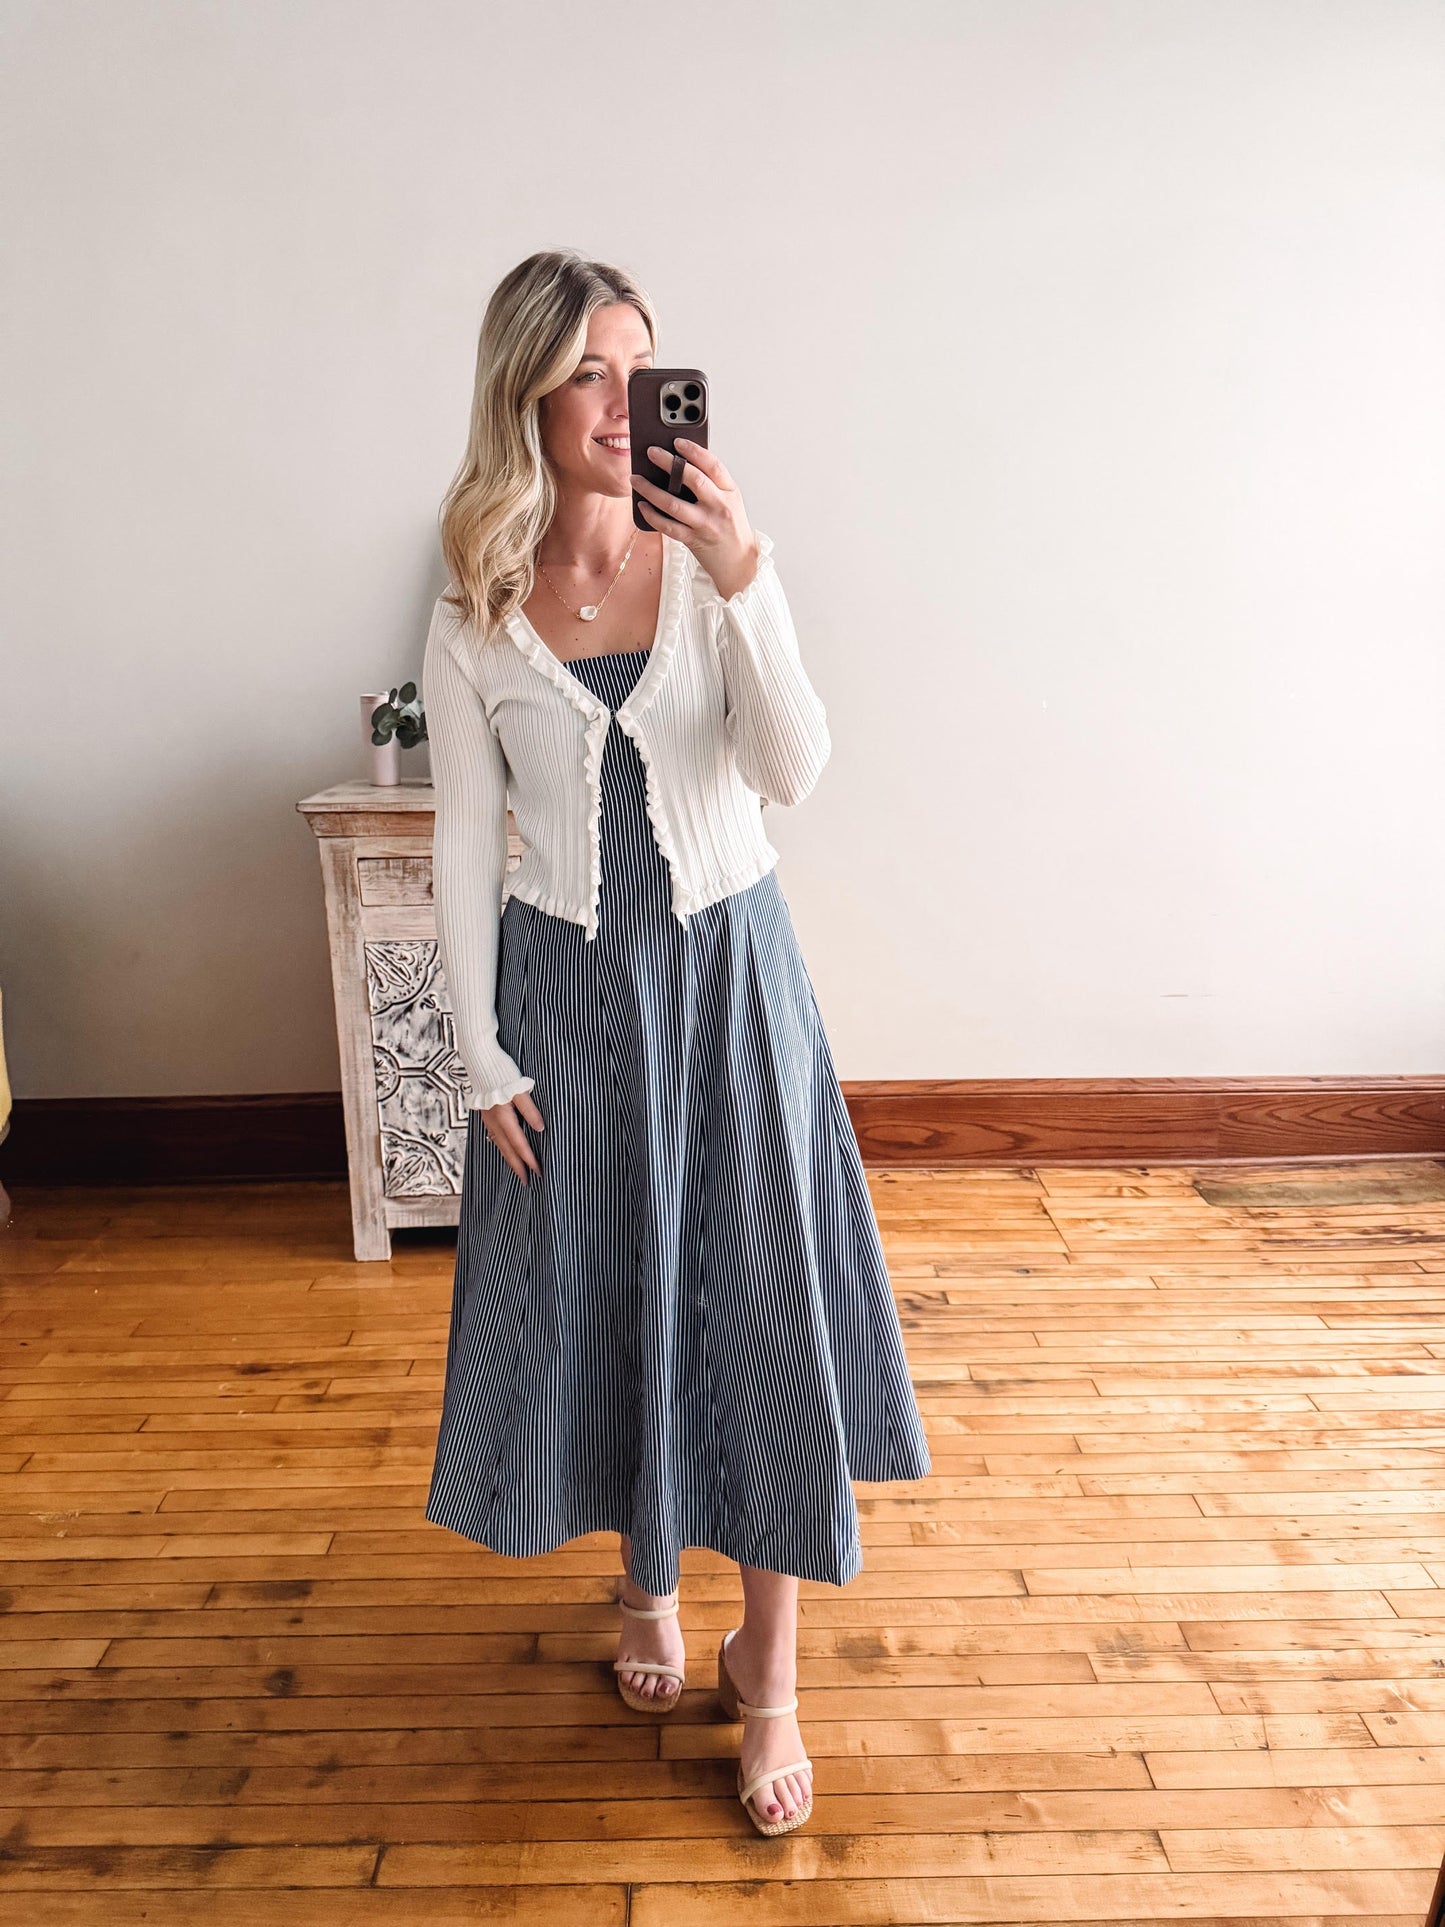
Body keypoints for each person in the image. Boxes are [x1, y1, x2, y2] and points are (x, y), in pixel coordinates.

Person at [422, 249, 930, 1837]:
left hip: (729, 987)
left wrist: (746, 571)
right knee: (617, 1300)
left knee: (760, 1316)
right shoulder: (476, 605)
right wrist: (478, 1050)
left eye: (637, 369)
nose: (617, 402)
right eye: (585, 371)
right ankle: (646, 1581)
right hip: (566, 1006)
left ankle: (768, 1671)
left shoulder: (715, 571)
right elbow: (462, 839)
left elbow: (792, 769)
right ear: (523, 395)